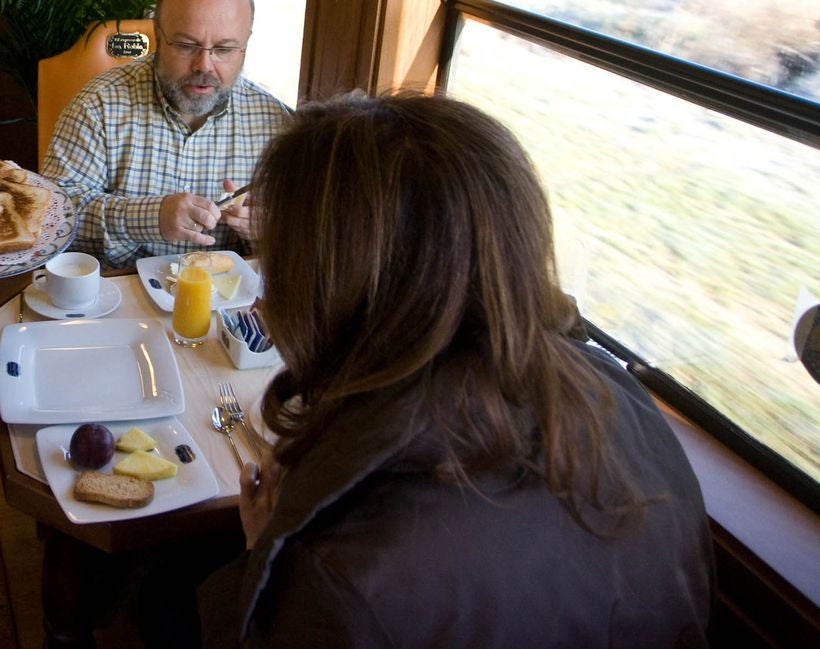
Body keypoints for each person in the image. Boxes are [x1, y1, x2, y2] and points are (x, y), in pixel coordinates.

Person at [199, 92, 714, 648]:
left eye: (278, 272)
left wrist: (263, 553)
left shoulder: (343, 578)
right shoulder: (624, 398)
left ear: (338, 294)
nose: (261, 305)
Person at [43, 0, 291, 268]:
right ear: (158, 35)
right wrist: (149, 217)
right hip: (115, 299)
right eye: (187, 46)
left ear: (246, 44)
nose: (204, 66)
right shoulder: (99, 105)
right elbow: (52, 217)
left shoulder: (275, 125)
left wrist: (268, 231)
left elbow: (303, 245)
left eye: (224, 49)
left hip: (222, 303)